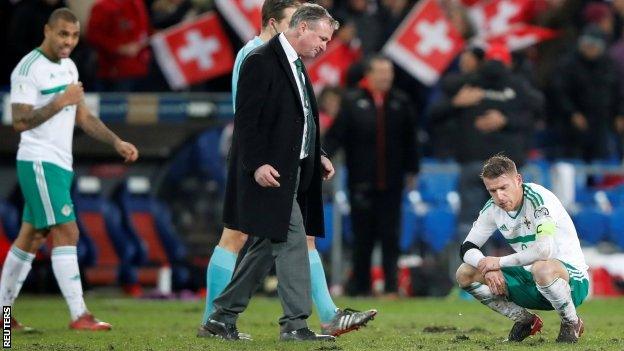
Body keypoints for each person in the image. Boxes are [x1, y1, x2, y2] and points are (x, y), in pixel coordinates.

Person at [199, 0, 376, 338]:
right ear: (301, 28)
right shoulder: (259, 60)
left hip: (292, 170)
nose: (324, 47)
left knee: (266, 244)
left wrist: (317, 152)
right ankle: (295, 325)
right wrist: (256, 165)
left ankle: (220, 318)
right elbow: (247, 122)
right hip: (270, 172)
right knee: (294, 241)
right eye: (322, 39)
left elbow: (301, 120)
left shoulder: (293, 63)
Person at [2, 8, 139, 331]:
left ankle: (2, 315)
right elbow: (20, 121)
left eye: (75, 36)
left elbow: (84, 117)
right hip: (39, 160)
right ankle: (79, 315)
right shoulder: (28, 69)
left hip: (60, 162)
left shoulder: (68, 66)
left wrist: (116, 142)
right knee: (68, 232)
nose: (69, 42)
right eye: (63, 34)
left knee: (31, 238)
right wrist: (59, 102)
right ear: (47, 31)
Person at [456, 155, 588, 343]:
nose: (499, 196)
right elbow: (467, 247)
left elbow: (544, 251)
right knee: (465, 273)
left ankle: (571, 321)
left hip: (571, 280)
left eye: (504, 188)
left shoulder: (540, 200)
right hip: (531, 279)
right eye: (492, 191)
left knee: (541, 267)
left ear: (518, 180)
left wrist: (498, 262)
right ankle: (525, 321)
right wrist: (486, 265)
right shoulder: (493, 208)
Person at [324, 55, 419, 297]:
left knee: (391, 235)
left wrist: (412, 170)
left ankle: (390, 287)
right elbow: (335, 136)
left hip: (393, 181)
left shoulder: (401, 101)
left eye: (389, 72)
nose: (386, 77)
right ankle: (360, 286)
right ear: (369, 74)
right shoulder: (352, 102)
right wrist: (321, 156)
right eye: (381, 72)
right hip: (361, 181)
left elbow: (411, 140)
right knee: (362, 236)